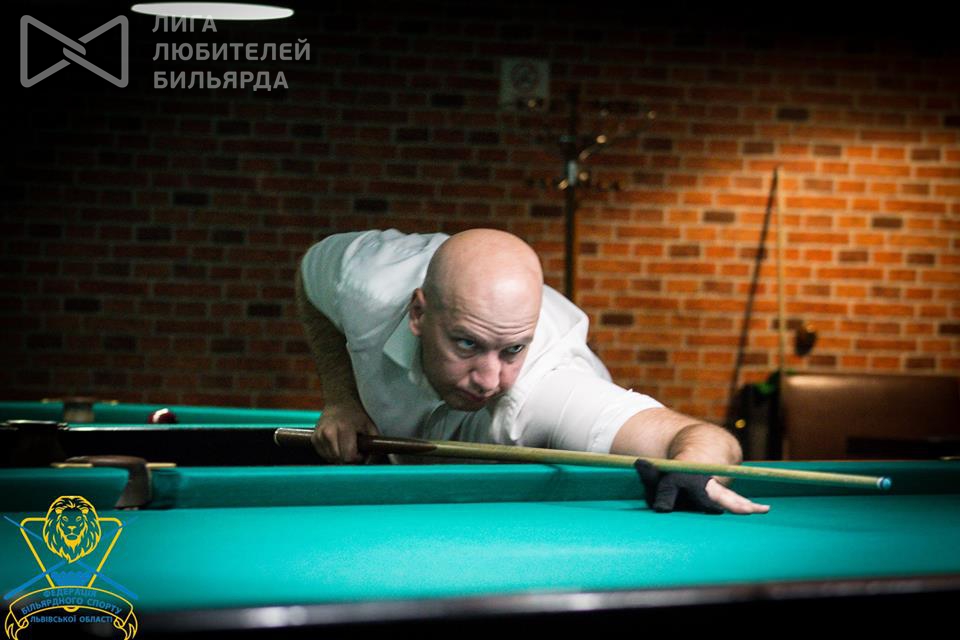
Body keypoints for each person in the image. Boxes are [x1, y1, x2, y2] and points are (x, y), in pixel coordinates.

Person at [296, 228, 770, 515]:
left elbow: (699, 439)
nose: (489, 380)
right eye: (467, 343)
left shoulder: (547, 391)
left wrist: (693, 469)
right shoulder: (364, 284)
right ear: (418, 314)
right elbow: (308, 280)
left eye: (512, 350)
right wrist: (341, 398)